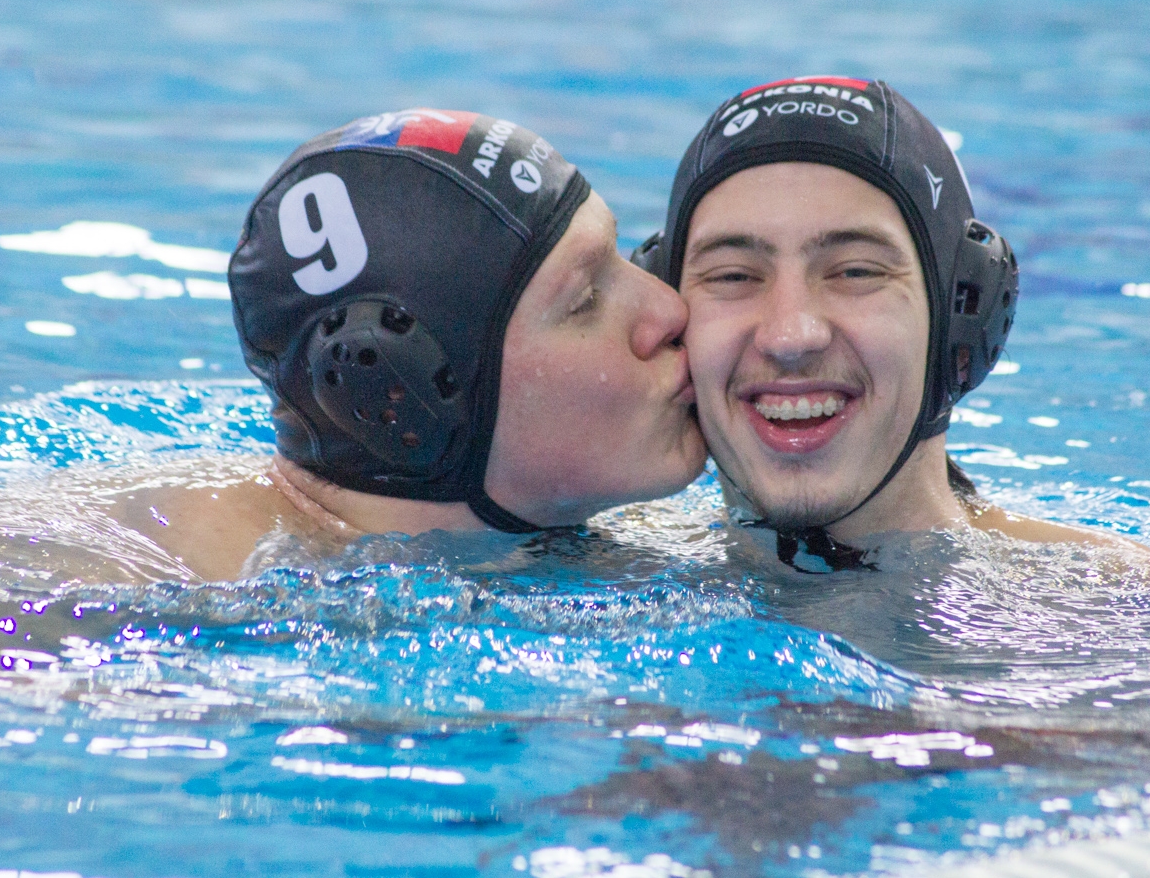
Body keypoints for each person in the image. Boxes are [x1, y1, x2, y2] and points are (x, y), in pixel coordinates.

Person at [634, 78, 1150, 594]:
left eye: (857, 271)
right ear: (671, 318)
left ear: (963, 315)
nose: (793, 333)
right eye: (733, 276)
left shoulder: (1117, 604)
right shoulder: (592, 565)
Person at [110, 108, 705, 581]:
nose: (669, 308)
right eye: (584, 300)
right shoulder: (144, 585)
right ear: (396, 388)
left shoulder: (608, 542)